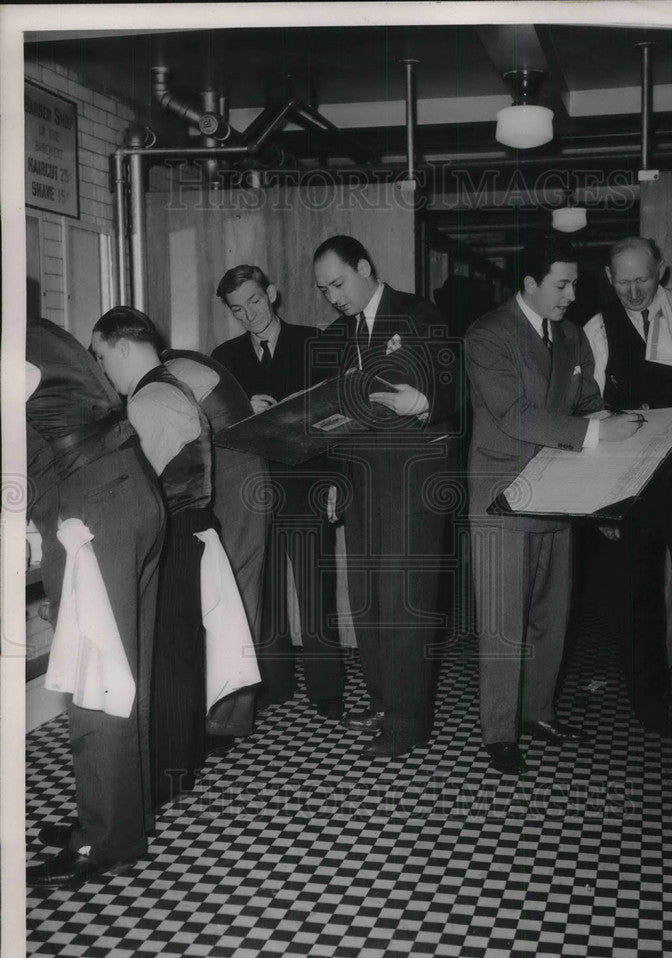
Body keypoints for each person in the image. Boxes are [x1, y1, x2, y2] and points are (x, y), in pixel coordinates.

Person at [465, 233, 643, 776]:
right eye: (561, 284)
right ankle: (499, 732)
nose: (570, 295)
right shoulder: (487, 335)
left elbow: (587, 402)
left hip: (559, 490)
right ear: (529, 284)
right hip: (503, 496)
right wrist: (596, 435)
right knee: (504, 622)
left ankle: (538, 711)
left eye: (574, 284)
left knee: (552, 614)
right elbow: (515, 416)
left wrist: (622, 420)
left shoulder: (571, 337)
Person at [91, 307, 259, 807]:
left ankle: (164, 773)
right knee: (180, 654)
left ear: (123, 347)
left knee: (166, 657)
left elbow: (141, 491)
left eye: (102, 356)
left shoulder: (150, 400)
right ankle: (178, 767)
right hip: (194, 529)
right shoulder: (172, 387)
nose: (103, 369)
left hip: (174, 533)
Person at [25, 318, 165, 890]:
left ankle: (103, 837)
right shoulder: (33, 331)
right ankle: (123, 817)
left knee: (95, 676)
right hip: (133, 488)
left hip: (95, 505)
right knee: (127, 671)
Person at [312, 234, 464, 759]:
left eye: (339, 283)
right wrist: (333, 481)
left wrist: (423, 400)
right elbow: (332, 419)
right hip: (360, 484)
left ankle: (409, 721)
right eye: (325, 290)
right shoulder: (338, 336)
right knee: (369, 601)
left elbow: (457, 387)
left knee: (405, 606)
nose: (334, 296)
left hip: (411, 484)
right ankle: (383, 701)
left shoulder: (420, 314)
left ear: (365, 265)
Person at [213, 265, 346, 719]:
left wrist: (335, 484)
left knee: (316, 594)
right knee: (263, 595)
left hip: (307, 487)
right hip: (251, 495)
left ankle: (327, 691)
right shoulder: (224, 357)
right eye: (237, 308)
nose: (248, 314)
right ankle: (274, 684)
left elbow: (339, 420)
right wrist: (240, 409)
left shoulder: (315, 341)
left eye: (254, 301)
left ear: (271, 293)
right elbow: (214, 428)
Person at [583, 236, 672, 731]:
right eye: (623, 281)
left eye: (644, 278)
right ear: (609, 279)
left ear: (663, 270)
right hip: (631, 482)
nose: (634, 290)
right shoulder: (595, 329)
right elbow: (588, 414)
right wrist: (603, 502)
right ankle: (648, 703)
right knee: (636, 592)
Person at [162, 348, 270, 741]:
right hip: (243, 473)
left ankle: (226, 717)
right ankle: (230, 714)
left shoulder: (172, 373)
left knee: (234, 600)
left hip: (234, 476)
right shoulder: (187, 361)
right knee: (241, 597)